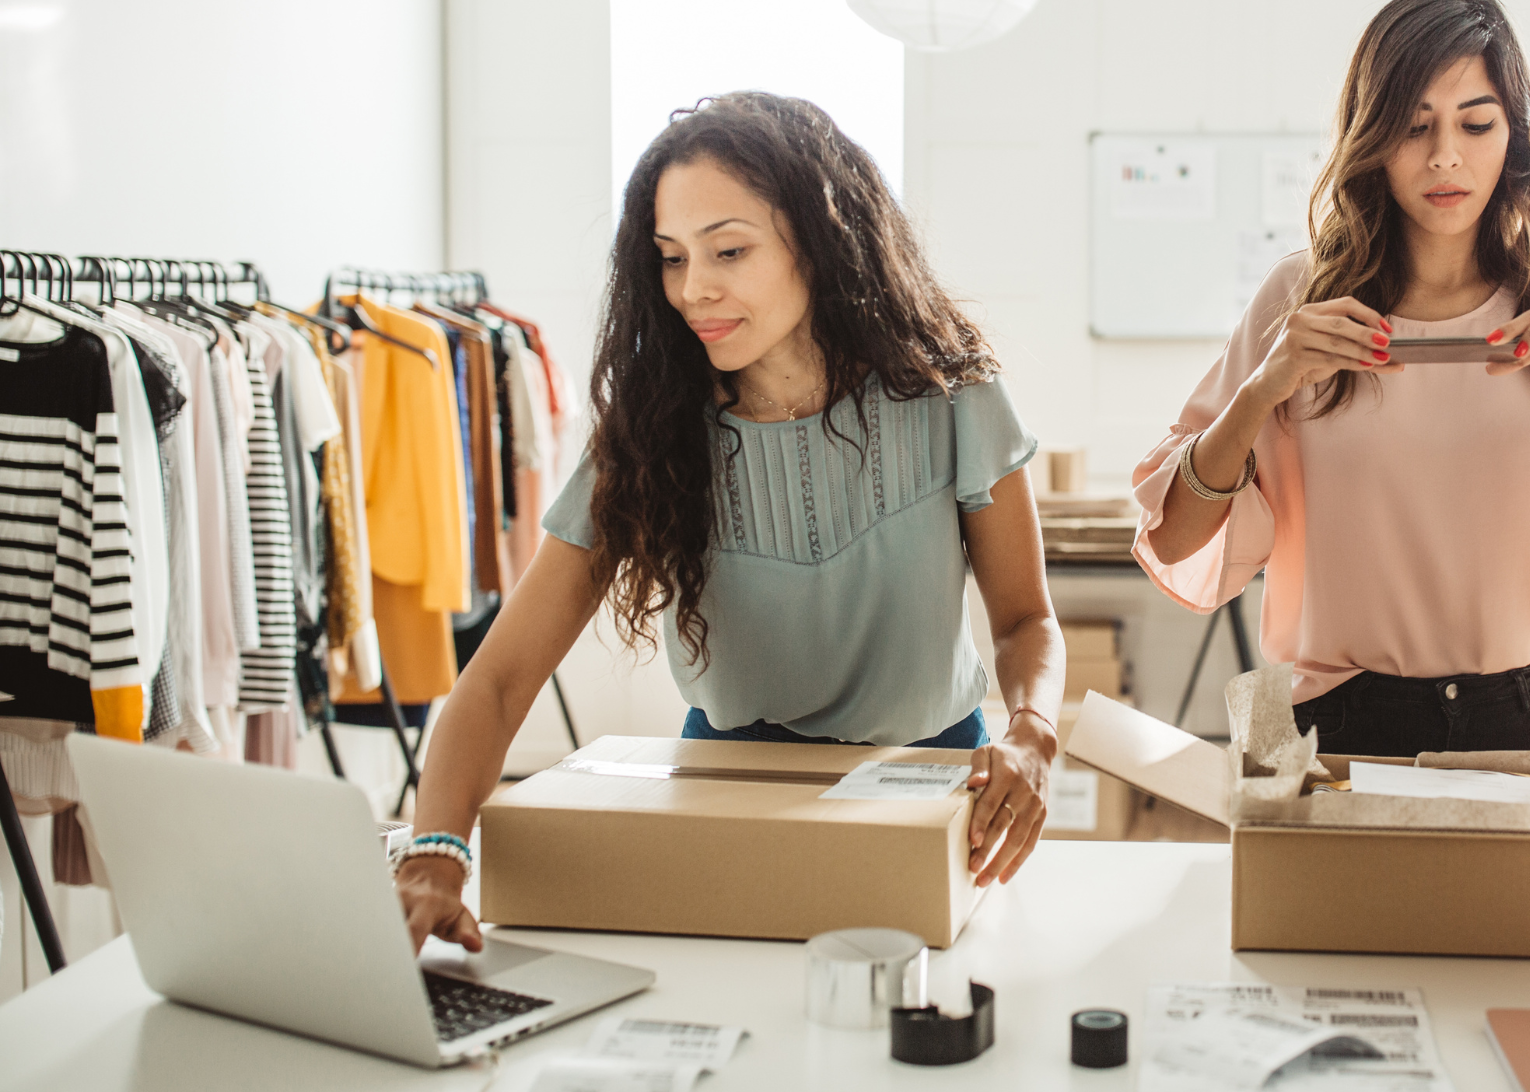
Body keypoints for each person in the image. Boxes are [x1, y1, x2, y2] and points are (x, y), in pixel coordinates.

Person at [396, 93, 1063, 951]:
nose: (692, 289)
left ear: (822, 240)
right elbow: (495, 682)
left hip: (934, 783)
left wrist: (1033, 731)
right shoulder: (649, 430)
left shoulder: (952, 394)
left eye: (730, 250)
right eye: (670, 258)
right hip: (725, 779)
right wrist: (436, 850)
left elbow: (1024, 620)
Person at [1135, 0, 1530, 758]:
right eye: (1413, 125)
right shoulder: (1300, 302)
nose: (1445, 157)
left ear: (1515, 134)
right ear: (1372, 137)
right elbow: (1175, 541)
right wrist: (1263, 388)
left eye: (1476, 122)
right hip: (1349, 724)